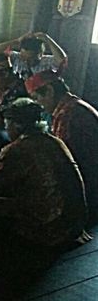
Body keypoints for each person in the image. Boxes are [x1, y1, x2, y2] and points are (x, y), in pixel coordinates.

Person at [0, 98, 87, 248]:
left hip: (48, 225)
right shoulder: (54, 141)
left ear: (17, 125)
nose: (6, 129)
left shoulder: (17, 149)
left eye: (7, 125)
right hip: (74, 222)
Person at [26, 70, 98, 222]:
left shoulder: (67, 114)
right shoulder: (73, 105)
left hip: (88, 186)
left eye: (37, 98)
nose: (38, 104)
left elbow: (60, 160)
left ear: (50, 91)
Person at [0, 31, 67, 80]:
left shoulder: (46, 62)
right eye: (24, 58)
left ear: (40, 54)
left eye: (30, 58)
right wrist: (16, 41)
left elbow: (62, 60)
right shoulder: (17, 58)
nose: (26, 61)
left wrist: (47, 39)